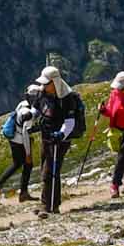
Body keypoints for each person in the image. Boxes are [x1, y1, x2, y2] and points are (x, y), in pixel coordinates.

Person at [30, 66, 83, 217]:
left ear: (55, 82)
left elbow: (70, 122)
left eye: (47, 83)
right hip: (46, 136)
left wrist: (61, 134)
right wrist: (29, 115)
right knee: (45, 168)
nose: (43, 86)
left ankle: (50, 206)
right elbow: (37, 108)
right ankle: (47, 201)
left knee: (51, 170)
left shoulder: (67, 98)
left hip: (60, 139)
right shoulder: (43, 92)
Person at [0, 84, 37, 205]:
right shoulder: (29, 113)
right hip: (21, 140)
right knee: (27, 164)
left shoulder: (22, 104)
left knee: (17, 164)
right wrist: (28, 153)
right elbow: (26, 133)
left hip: (13, 138)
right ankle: (22, 193)